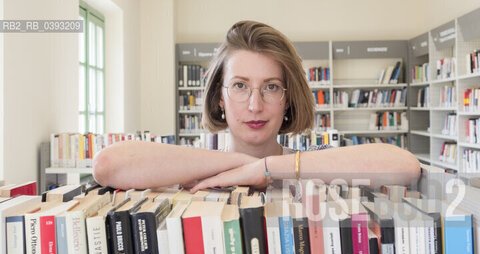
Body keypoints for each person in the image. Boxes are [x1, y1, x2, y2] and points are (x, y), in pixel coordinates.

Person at [93, 20, 420, 192]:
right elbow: (108, 165)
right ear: (219, 97)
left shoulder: (310, 163)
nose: (254, 105)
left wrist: (264, 169)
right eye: (239, 86)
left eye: (271, 87)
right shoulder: (190, 163)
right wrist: (239, 165)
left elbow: (405, 167)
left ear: (288, 98)